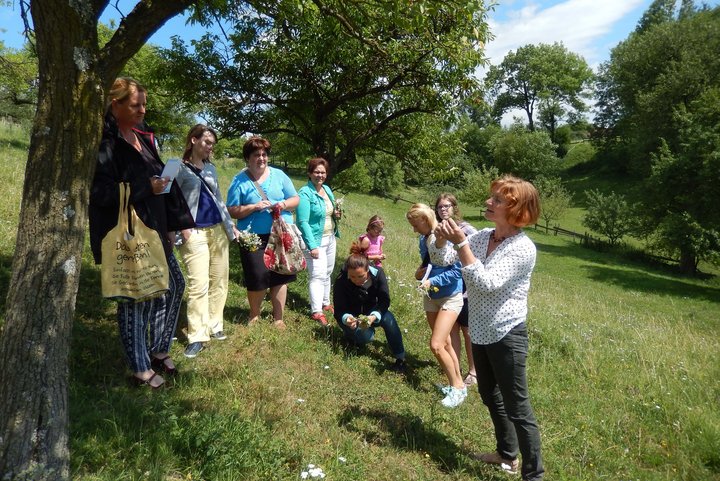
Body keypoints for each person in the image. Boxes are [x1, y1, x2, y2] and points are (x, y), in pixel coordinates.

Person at [432, 175, 544, 479]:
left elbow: (487, 283)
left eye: (497, 199)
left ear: (516, 209)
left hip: (506, 334)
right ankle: (507, 454)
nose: (488, 202)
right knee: (489, 394)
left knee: (517, 407)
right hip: (480, 330)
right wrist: (441, 238)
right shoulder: (483, 237)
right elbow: (442, 258)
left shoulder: (522, 248)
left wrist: (461, 243)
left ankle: (534, 475)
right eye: (491, 196)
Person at [89, 77, 195, 389]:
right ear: (115, 105)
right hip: (129, 235)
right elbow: (100, 193)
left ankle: (158, 350)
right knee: (135, 298)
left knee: (173, 286)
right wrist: (145, 187)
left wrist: (172, 223)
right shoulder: (106, 145)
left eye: (144, 104)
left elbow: (160, 180)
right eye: (136, 105)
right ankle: (140, 369)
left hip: (156, 229)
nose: (143, 110)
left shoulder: (143, 137)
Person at [175, 124, 240, 358]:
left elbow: (218, 199)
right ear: (193, 140)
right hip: (194, 233)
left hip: (218, 230)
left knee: (220, 280)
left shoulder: (211, 168)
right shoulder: (176, 167)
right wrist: (182, 227)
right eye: (206, 142)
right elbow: (166, 199)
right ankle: (197, 336)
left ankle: (215, 324)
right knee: (198, 284)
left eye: (212, 144)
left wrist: (230, 225)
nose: (210, 147)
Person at [226, 136, 300, 330]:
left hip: (280, 234)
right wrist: (253, 207)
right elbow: (232, 210)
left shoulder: (279, 175)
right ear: (247, 158)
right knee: (257, 275)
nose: (261, 158)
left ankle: (278, 318)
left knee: (280, 275)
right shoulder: (239, 180)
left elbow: (295, 199)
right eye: (256, 155)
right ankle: (254, 314)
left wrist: (282, 204)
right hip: (252, 236)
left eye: (264, 154)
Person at [406, 204, 466, 408]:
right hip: (431, 295)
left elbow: (457, 271)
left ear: (425, 220)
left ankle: (457, 387)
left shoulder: (444, 235)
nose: (414, 229)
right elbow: (429, 265)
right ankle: (457, 383)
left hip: (450, 296)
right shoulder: (423, 239)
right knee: (446, 343)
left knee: (436, 345)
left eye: (416, 225)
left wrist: (433, 281)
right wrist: (420, 273)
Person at [333, 242, 406, 373]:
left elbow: (385, 300)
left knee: (389, 319)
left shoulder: (378, 274)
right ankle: (351, 337)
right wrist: (347, 318)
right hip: (352, 316)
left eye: (361, 276)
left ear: (368, 270)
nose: (356, 280)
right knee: (367, 337)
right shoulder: (341, 280)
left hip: (372, 312)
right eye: (352, 276)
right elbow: (339, 309)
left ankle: (400, 358)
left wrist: (374, 316)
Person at [435, 193, 478, 387]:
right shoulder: (438, 230)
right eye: (440, 207)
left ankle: (474, 371)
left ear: (454, 207)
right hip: (448, 287)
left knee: (467, 330)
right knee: (452, 330)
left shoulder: (466, 229)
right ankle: (456, 367)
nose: (443, 210)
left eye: (447, 206)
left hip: (466, 287)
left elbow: (477, 252)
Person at [296, 157, 341, 326]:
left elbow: (329, 212)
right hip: (314, 240)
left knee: (327, 272)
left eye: (323, 172)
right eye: (316, 172)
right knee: (317, 275)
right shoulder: (305, 193)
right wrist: (312, 246)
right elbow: (302, 222)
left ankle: (325, 302)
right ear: (309, 173)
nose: (320, 175)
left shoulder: (327, 190)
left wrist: (336, 214)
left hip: (330, 237)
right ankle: (316, 311)